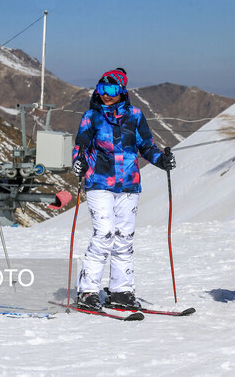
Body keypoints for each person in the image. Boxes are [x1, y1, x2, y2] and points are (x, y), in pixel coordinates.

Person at [71, 68, 176, 311]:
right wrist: (79, 161)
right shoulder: (91, 116)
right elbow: (82, 146)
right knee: (104, 234)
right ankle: (87, 291)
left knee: (124, 239)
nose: (106, 95)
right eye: (102, 89)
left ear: (122, 92)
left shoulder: (135, 116)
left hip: (129, 184)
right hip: (99, 182)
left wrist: (161, 160)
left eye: (112, 90)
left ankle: (121, 290)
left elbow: (146, 146)